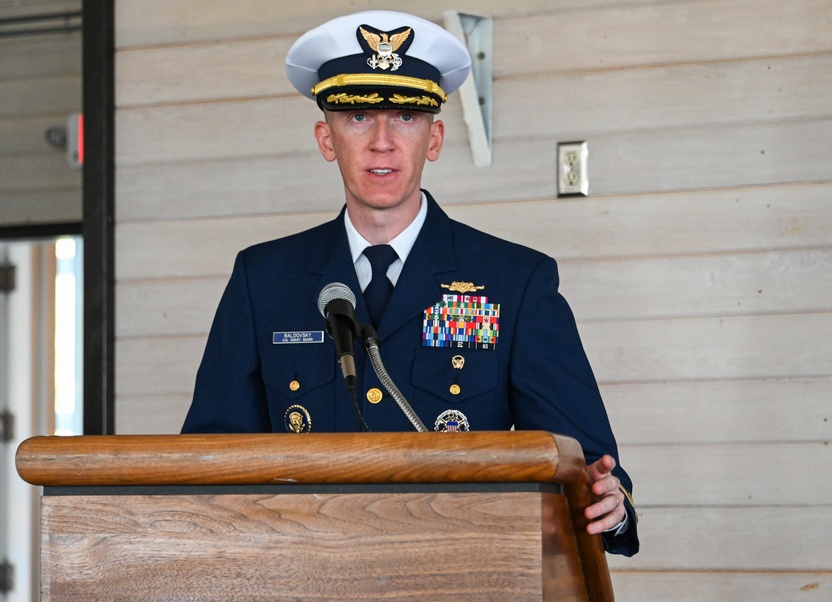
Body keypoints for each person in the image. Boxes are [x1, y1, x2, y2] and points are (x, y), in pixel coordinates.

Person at [181, 10, 638, 556]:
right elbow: (207, 463)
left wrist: (607, 506)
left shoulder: (513, 281)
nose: (381, 141)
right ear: (326, 139)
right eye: (358, 119)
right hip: (303, 570)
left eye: (404, 117)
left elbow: (583, 463)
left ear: (435, 138)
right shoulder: (264, 280)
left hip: (458, 572)